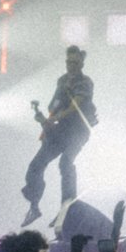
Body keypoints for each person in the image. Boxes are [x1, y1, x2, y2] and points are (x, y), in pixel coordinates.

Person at [20, 46, 97, 226]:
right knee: (36, 165)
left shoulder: (85, 82)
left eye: (75, 63)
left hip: (78, 131)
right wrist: (45, 120)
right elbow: (54, 107)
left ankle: (68, 207)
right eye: (69, 62)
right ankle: (34, 205)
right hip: (60, 131)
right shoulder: (61, 81)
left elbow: (75, 106)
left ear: (81, 63)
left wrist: (57, 117)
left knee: (66, 163)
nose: (71, 66)